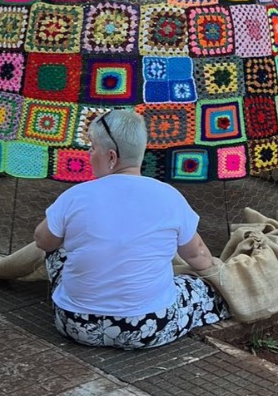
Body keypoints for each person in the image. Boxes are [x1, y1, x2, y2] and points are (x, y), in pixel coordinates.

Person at [33, 110, 228, 350]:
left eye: (92, 148)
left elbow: (43, 241)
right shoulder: (169, 196)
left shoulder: (75, 196)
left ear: (111, 156)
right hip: (148, 327)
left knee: (57, 253)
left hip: (76, 325)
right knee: (199, 287)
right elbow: (198, 256)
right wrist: (216, 277)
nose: (89, 154)